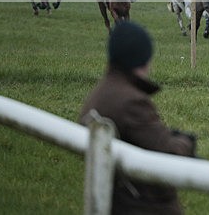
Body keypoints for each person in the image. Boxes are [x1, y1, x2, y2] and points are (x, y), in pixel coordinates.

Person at [79, 21, 197, 214]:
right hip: (142, 204)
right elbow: (169, 153)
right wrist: (186, 142)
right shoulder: (132, 102)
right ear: (142, 59)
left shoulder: (99, 93)